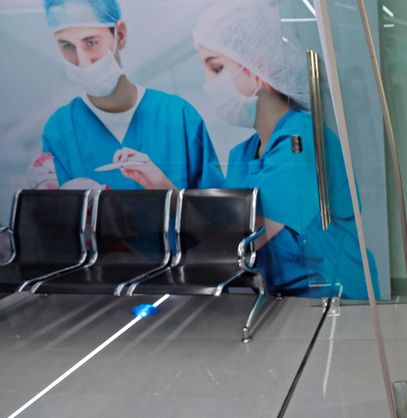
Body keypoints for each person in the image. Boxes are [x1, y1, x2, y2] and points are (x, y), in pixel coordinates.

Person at [192, 0, 378, 299]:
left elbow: (244, 236)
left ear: (258, 69)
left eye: (216, 68)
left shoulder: (302, 139)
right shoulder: (243, 153)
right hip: (277, 297)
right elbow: (225, 225)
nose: (206, 85)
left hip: (331, 297)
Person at [40, 0, 223, 191]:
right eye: (68, 46)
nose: (82, 60)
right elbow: (54, 215)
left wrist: (166, 192)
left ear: (120, 34)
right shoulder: (60, 128)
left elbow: (213, 215)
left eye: (91, 42)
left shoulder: (178, 115)